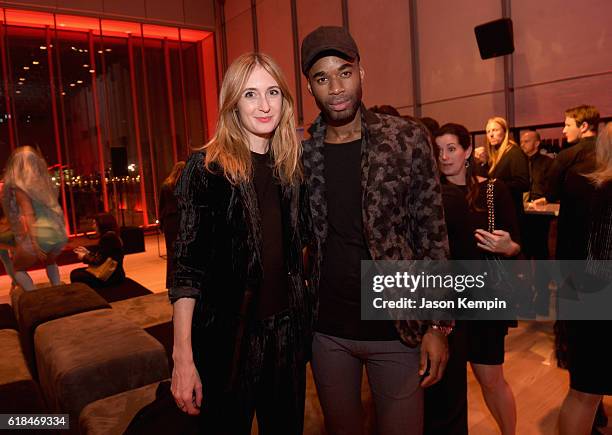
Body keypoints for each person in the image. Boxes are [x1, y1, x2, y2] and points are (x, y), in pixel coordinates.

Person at [300, 26, 450, 435]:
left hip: (395, 326)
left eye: (344, 72)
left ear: (361, 73)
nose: (335, 88)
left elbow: (432, 233)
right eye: (321, 77)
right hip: (328, 330)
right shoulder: (301, 154)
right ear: (309, 88)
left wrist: (438, 324)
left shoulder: (405, 139)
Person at [169, 52, 313, 435]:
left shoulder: (291, 169)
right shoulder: (206, 168)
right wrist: (182, 357)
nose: (264, 105)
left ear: (285, 101)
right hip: (227, 341)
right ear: (232, 102)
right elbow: (186, 270)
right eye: (250, 94)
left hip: (287, 337)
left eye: (272, 93)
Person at [434, 123, 519, 435]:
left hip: (485, 300)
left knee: (491, 380)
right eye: (439, 149)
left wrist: (508, 247)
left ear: (468, 150)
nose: (444, 157)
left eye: (451, 148)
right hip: (446, 304)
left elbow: (516, 245)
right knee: (448, 388)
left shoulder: (493, 190)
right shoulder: (432, 195)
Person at [557, 121, 612, 435]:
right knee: (585, 394)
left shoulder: (578, 182)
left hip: (582, 295)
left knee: (583, 393)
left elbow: (565, 247)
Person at [1, 146, 67, 291]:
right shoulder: (45, 183)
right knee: (50, 262)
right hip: (59, 234)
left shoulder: (20, 186)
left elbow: (29, 214)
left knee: (17, 267)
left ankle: (34, 297)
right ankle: (57, 289)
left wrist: (36, 245)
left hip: (41, 235)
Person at [481, 117, 530, 224]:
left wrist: (496, 185)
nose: (491, 134)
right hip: (498, 212)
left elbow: (523, 183)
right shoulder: (495, 155)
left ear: (505, 131)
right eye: (488, 131)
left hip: (511, 213)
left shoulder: (514, 152)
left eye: (495, 130)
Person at [70, 213, 125, 289]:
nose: (93, 227)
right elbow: (103, 255)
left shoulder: (108, 237)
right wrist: (87, 252)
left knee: (76, 275)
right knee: (76, 272)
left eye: (95, 224)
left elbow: (98, 261)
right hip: (114, 273)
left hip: (110, 275)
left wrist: (83, 257)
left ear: (103, 224)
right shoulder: (112, 235)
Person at [159, 161, 185, 288]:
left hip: (169, 222)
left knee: (170, 252)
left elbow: (161, 206)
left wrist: (161, 225)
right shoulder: (185, 185)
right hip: (181, 220)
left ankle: (171, 281)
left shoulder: (166, 185)